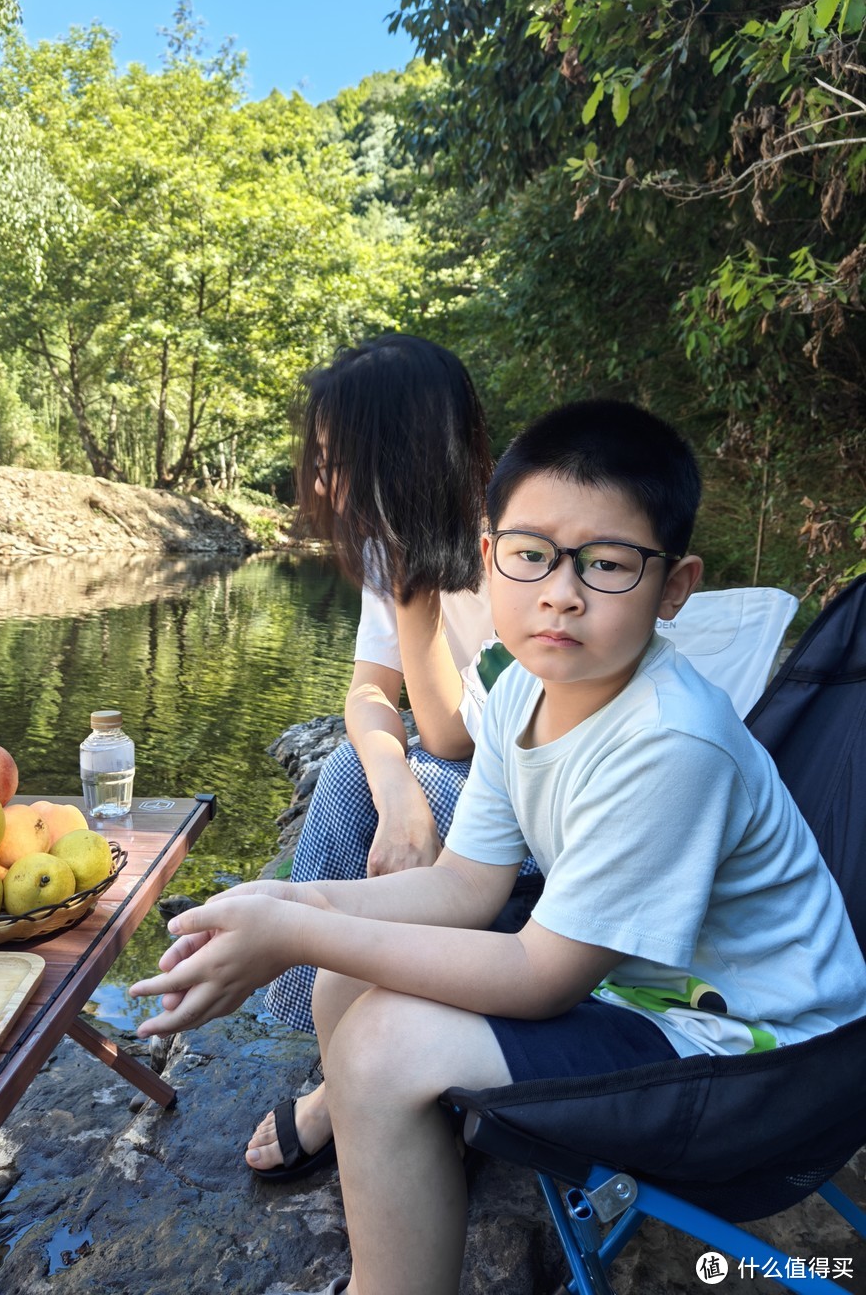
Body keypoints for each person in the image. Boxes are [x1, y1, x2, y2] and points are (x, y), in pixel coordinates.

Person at [131, 399, 866, 1295]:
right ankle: (394, 1158)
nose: (561, 591)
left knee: (385, 1043)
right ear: (488, 561)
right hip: (647, 985)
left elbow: (539, 976)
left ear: (675, 587)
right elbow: (465, 887)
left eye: (608, 563)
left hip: (763, 1062)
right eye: (532, 555)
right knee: (344, 977)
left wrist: (294, 932)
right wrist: (288, 905)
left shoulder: (673, 741)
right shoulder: (519, 689)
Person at [251, 333, 535, 1181]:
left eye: (342, 461)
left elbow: (453, 738)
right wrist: (397, 790)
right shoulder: (390, 550)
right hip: (463, 771)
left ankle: (359, 1075)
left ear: (405, 456)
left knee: (414, 787)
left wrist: (415, 599)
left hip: (528, 797)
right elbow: (368, 695)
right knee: (354, 770)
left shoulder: (521, 555)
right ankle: (330, 1037)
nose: (328, 483)